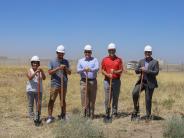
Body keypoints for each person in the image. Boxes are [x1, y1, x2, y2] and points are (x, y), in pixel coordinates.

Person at [132, 45, 159, 120]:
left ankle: (148, 115)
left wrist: (146, 71)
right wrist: (140, 69)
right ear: (144, 52)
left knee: (148, 99)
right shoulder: (141, 61)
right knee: (135, 93)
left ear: (151, 53)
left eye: (149, 52)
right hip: (141, 82)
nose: (147, 53)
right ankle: (136, 110)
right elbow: (136, 71)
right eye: (146, 52)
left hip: (150, 83)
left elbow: (156, 72)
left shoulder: (155, 62)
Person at [46, 45, 71, 124]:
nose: (61, 54)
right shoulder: (52, 61)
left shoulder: (66, 61)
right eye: (60, 53)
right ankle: (50, 117)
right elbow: (49, 72)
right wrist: (58, 68)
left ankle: (63, 115)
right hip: (55, 84)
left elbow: (69, 72)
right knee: (51, 100)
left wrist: (65, 68)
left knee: (62, 100)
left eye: (62, 53)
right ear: (57, 52)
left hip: (64, 84)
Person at [101, 43, 123, 118]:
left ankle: (114, 112)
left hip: (116, 81)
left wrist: (114, 72)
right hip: (107, 81)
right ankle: (107, 112)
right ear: (108, 50)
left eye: (113, 50)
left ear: (115, 50)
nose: (111, 51)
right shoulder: (105, 59)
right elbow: (102, 70)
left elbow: (121, 70)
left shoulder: (119, 60)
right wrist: (107, 74)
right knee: (107, 98)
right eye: (110, 50)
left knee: (115, 97)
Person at [77, 45, 99, 119]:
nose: (87, 53)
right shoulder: (81, 60)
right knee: (84, 98)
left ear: (91, 52)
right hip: (83, 81)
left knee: (92, 98)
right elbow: (78, 70)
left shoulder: (95, 60)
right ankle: (85, 114)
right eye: (86, 52)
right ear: (84, 52)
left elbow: (97, 68)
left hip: (93, 81)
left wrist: (90, 69)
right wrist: (84, 69)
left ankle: (91, 114)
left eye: (89, 52)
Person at [26, 56, 46, 121]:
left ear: (38, 64)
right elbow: (30, 77)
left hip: (39, 91)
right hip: (30, 90)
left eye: (36, 63)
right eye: (33, 63)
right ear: (31, 63)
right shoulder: (29, 70)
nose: (35, 64)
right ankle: (31, 117)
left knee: (39, 104)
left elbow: (44, 78)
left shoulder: (40, 71)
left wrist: (42, 71)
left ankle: (38, 116)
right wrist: (36, 72)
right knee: (30, 104)